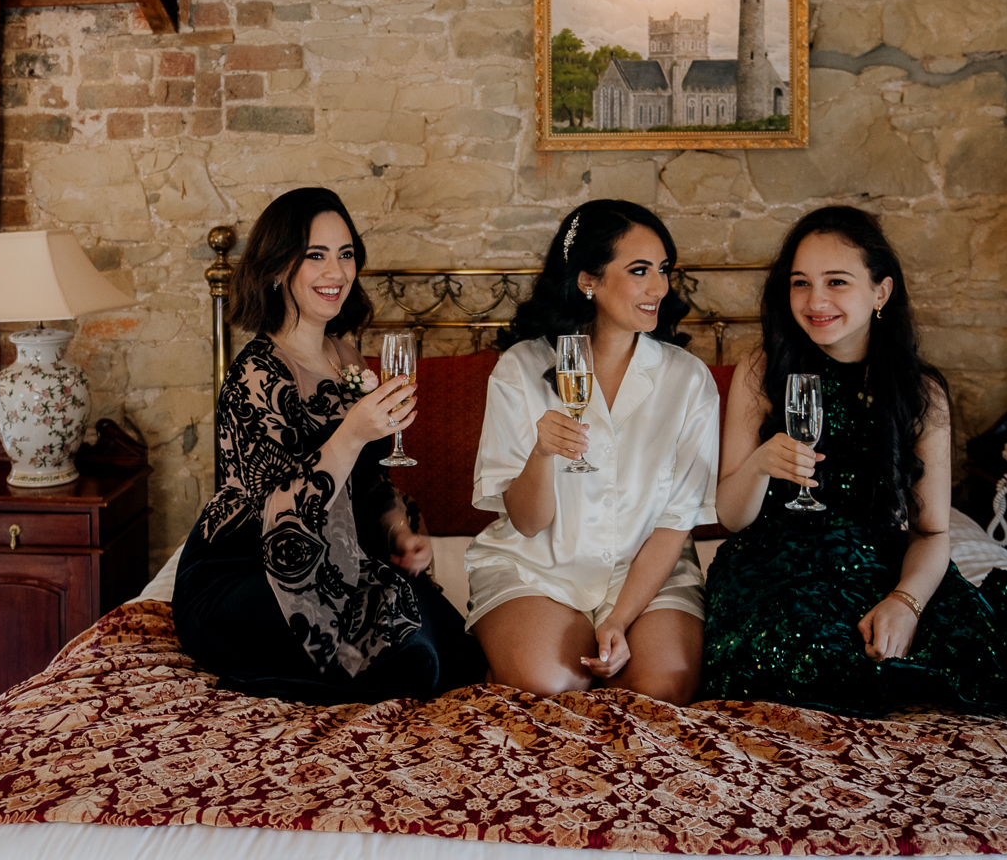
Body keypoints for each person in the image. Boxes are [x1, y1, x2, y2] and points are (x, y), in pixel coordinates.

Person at [700, 205, 1007, 715]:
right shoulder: (763, 369)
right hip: (776, 567)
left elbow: (932, 532)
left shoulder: (919, 393)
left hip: (880, 566)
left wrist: (905, 603)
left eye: (836, 282)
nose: (815, 300)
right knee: (790, 646)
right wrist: (758, 465)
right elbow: (731, 518)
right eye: (800, 283)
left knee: (965, 651)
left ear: (880, 291)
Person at [172, 187, 485, 703]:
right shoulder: (256, 372)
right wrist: (354, 431)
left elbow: (370, 482)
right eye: (315, 256)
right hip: (249, 570)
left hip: (338, 557)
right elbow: (276, 516)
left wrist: (398, 533)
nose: (336, 273)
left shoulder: (345, 355)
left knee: (455, 651)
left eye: (345, 255)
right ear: (277, 269)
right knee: (413, 658)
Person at [463, 200, 720, 704]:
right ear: (588, 280)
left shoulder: (688, 380)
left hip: (647, 572)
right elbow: (529, 522)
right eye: (639, 271)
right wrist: (542, 454)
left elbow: (675, 524)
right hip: (539, 566)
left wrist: (621, 620)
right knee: (545, 686)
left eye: (663, 270)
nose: (659, 288)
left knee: (660, 690)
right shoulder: (521, 368)